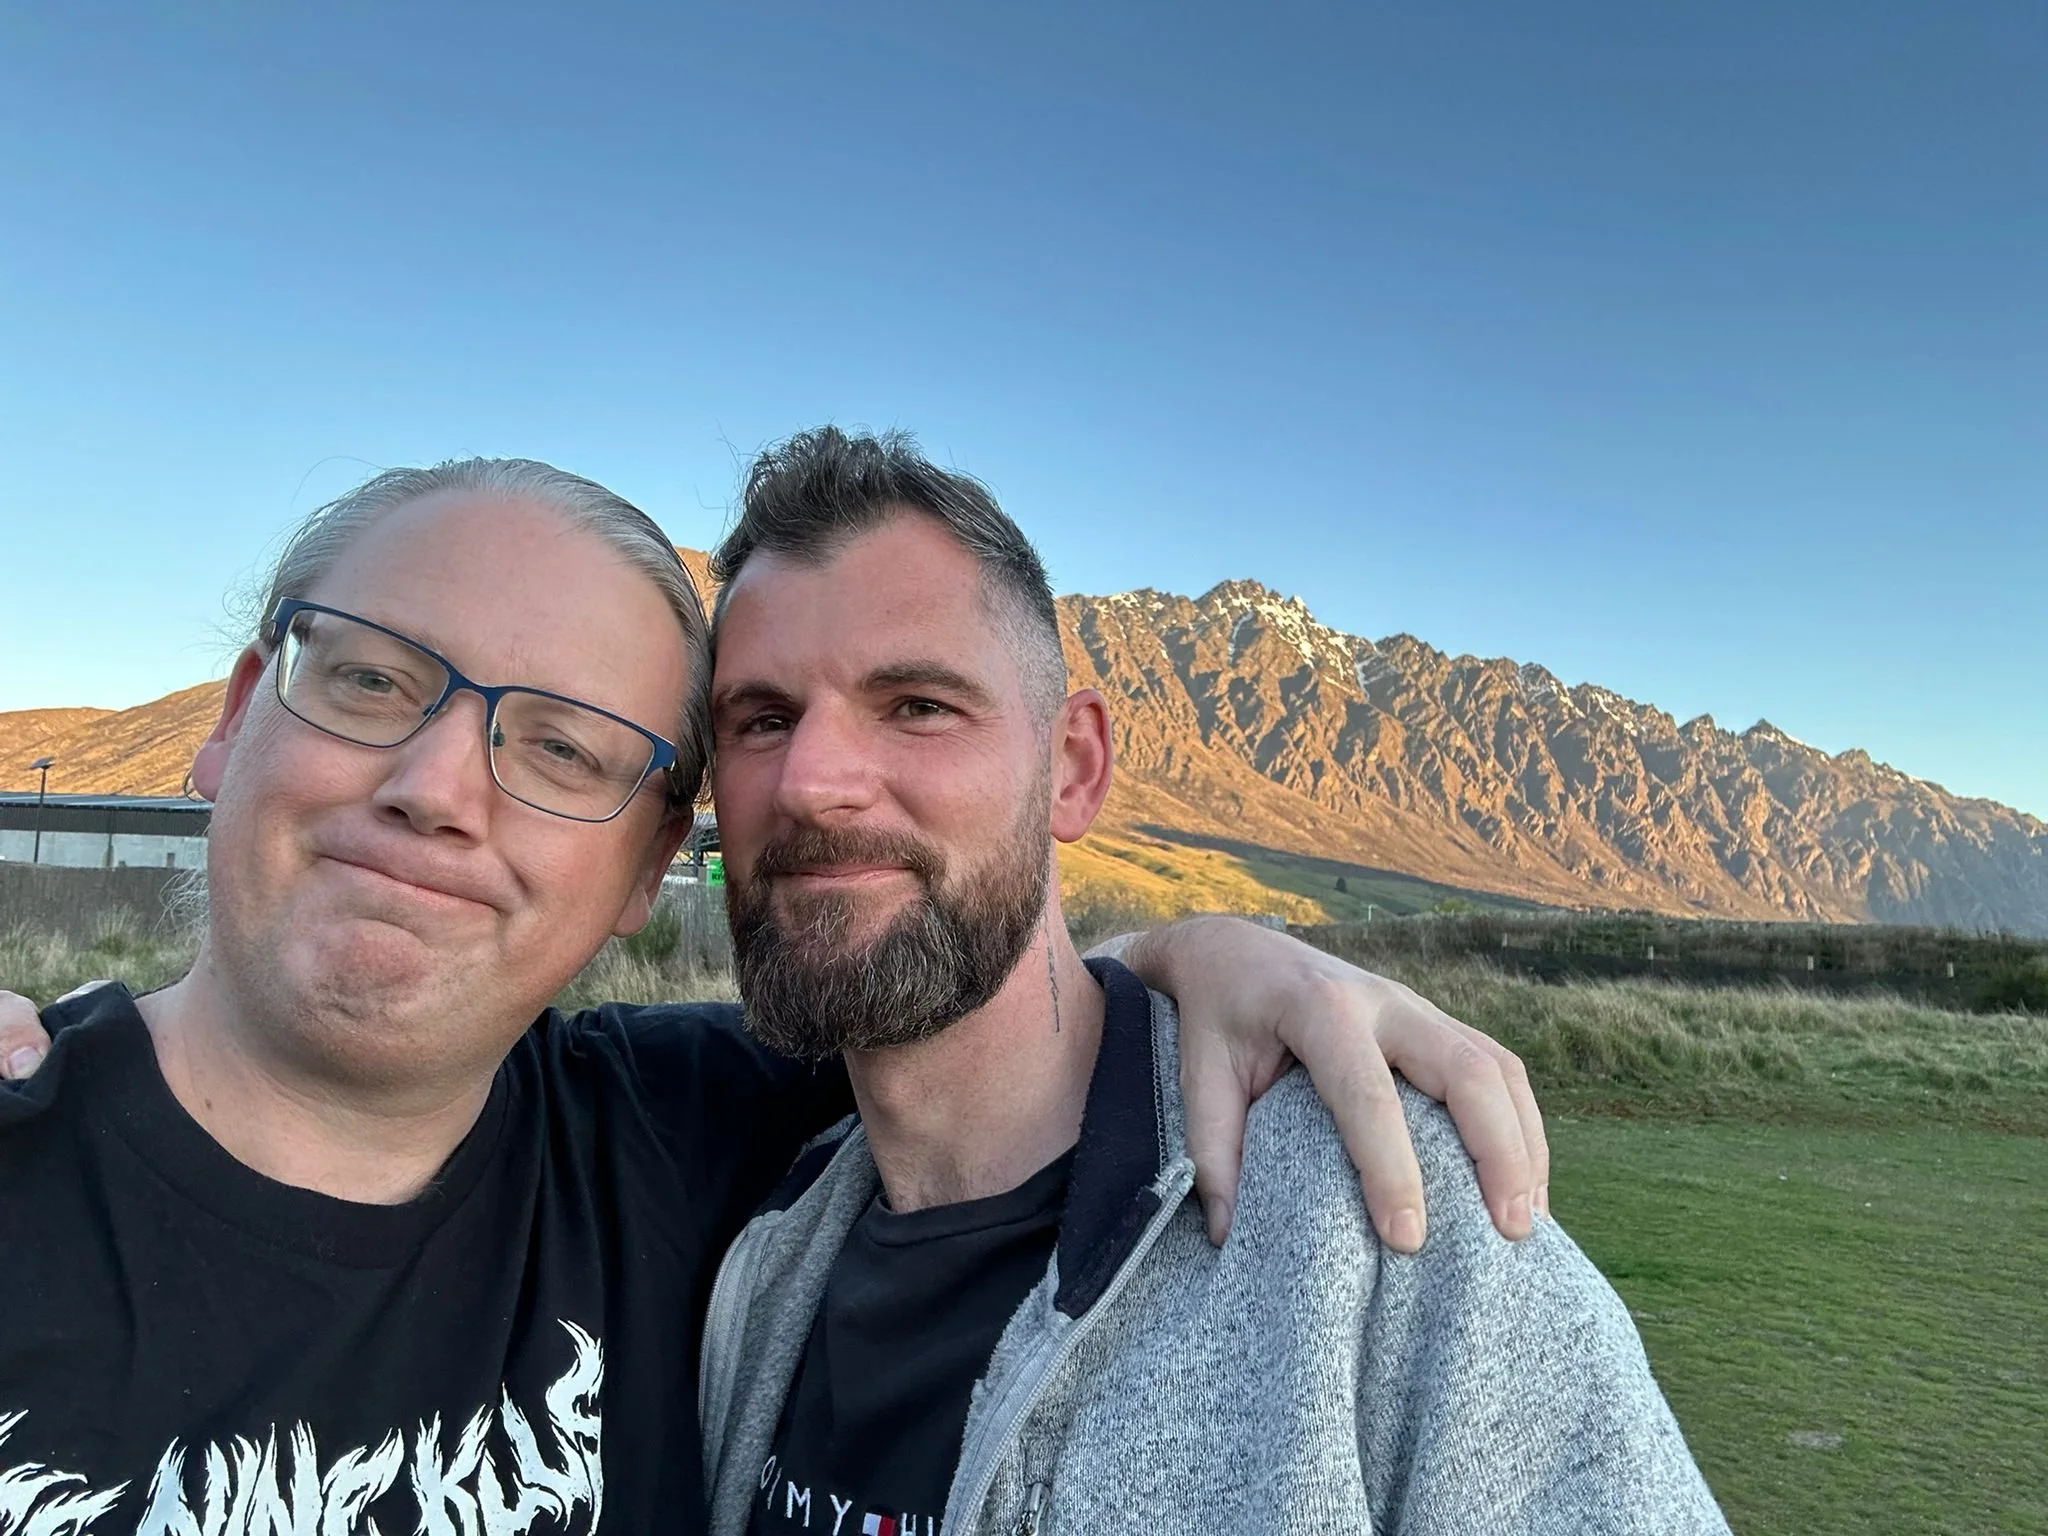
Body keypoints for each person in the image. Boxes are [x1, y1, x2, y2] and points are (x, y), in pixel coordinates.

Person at [0, 456, 1549, 1536]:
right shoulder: (765, 1196)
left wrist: (1204, 952)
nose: (432, 792)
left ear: (642, 861)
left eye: (560, 748)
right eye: (368, 679)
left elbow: (961, 1007)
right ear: (228, 721)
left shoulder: (669, 1153)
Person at [696, 428, 1729, 1535]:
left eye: (916, 706)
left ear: (1073, 769)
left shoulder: (1387, 1224)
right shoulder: (748, 1234)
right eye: (762, 720)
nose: (811, 783)